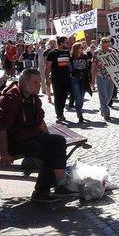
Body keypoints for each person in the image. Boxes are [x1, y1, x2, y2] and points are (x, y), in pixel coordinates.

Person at [0, 69, 77, 202]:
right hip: (14, 141)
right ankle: (41, 192)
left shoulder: (33, 97)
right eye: (35, 82)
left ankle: (60, 184)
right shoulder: (10, 98)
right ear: (24, 83)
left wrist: (48, 137)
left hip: (31, 136)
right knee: (48, 152)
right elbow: (2, 128)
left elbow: (39, 120)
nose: (39, 85)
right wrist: (4, 152)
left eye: (39, 82)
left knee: (58, 141)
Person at [46, 37, 71, 123]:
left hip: (66, 78)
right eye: (66, 42)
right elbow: (48, 67)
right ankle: (59, 115)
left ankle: (61, 112)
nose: (68, 44)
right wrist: (47, 79)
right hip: (56, 78)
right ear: (60, 43)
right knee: (58, 97)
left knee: (64, 96)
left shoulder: (67, 53)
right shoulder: (52, 53)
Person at [91, 37, 116, 122]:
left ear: (109, 44)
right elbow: (93, 66)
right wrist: (93, 79)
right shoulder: (96, 52)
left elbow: (117, 64)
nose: (105, 47)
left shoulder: (113, 52)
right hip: (100, 75)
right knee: (102, 95)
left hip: (111, 76)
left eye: (106, 45)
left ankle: (102, 107)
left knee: (109, 95)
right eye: (103, 45)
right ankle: (106, 113)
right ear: (101, 44)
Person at [69, 42, 91, 124]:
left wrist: (90, 78)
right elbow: (70, 69)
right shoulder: (71, 57)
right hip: (75, 79)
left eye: (82, 47)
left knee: (81, 97)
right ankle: (79, 114)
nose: (82, 49)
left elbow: (88, 67)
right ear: (76, 49)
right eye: (80, 47)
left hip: (83, 79)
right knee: (78, 96)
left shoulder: (85, 57)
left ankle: (79, 110)